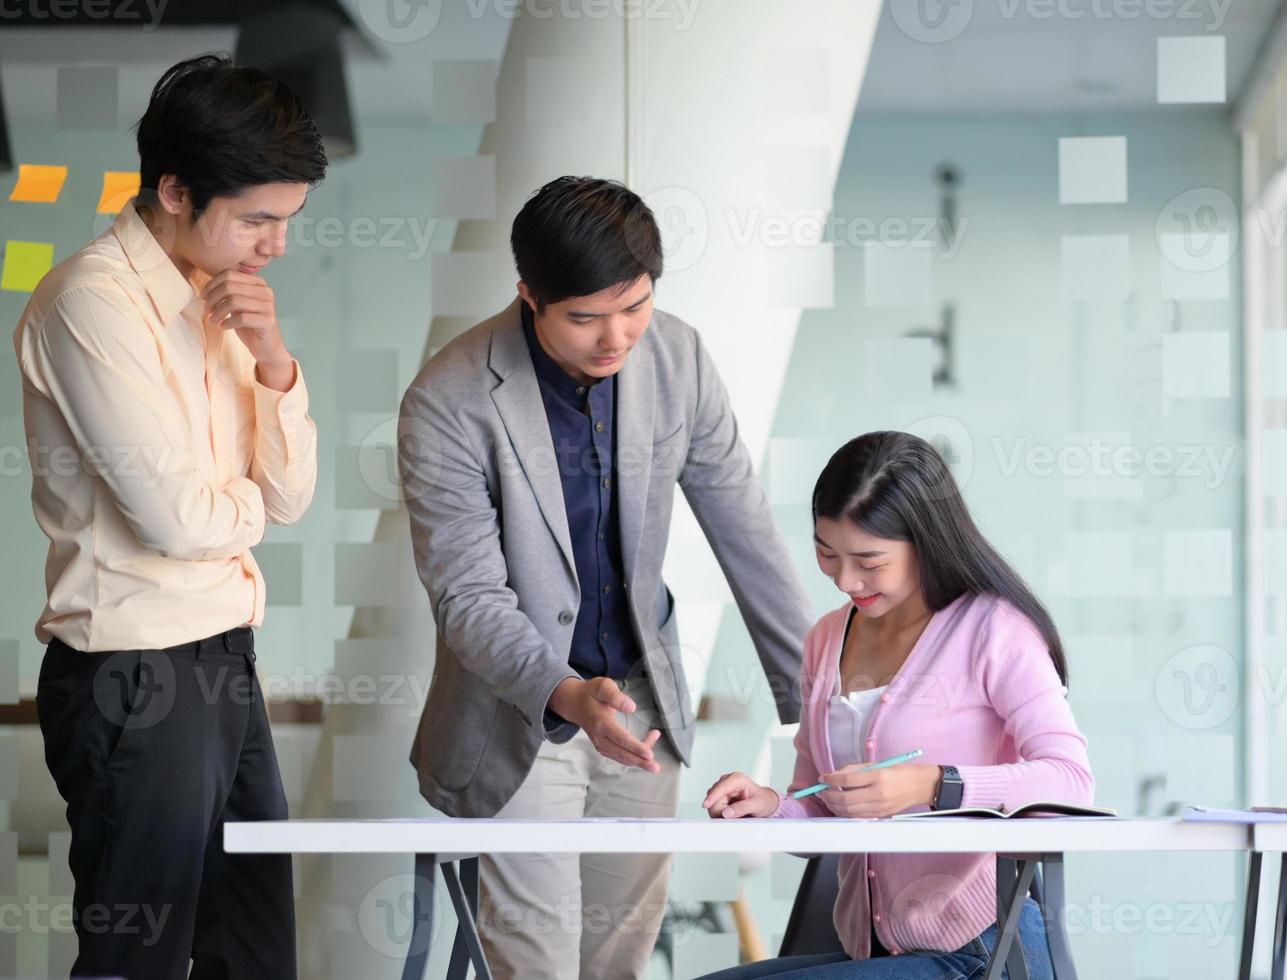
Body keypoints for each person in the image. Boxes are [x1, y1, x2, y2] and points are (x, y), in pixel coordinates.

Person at [398, 176, 812, 980]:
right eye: (585, 317)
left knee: (617, 962)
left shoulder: (677, 357)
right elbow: (468, 600)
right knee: (539, 964)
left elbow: (746, 531)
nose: (615, 336)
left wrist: (817, 706)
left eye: (635, 305)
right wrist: (565, 692)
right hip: (520, 715)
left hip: (641, 699)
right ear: (529, 296)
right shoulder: (449, 399)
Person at [16, 53, 323, 979]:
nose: (276, 246)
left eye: (287, 221)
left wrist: (273, 361)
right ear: (177, 190)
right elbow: (179, 522)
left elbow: (290, 495)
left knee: (255, 954)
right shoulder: (90, 302)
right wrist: (243, 505)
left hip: (225, 654)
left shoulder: (222, 303)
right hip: (133, 675)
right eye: (258, 220)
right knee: (137, 962)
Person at [699, 431, 1094, 979]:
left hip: (985, 953)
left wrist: (934, 785)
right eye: (826, 552)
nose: (844, 579)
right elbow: (816, 810)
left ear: (925, 543)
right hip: (878, 952)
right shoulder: (825, 639)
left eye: (869, 560)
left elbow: (1071, 782)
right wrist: (769, 807)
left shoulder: (993, 630)